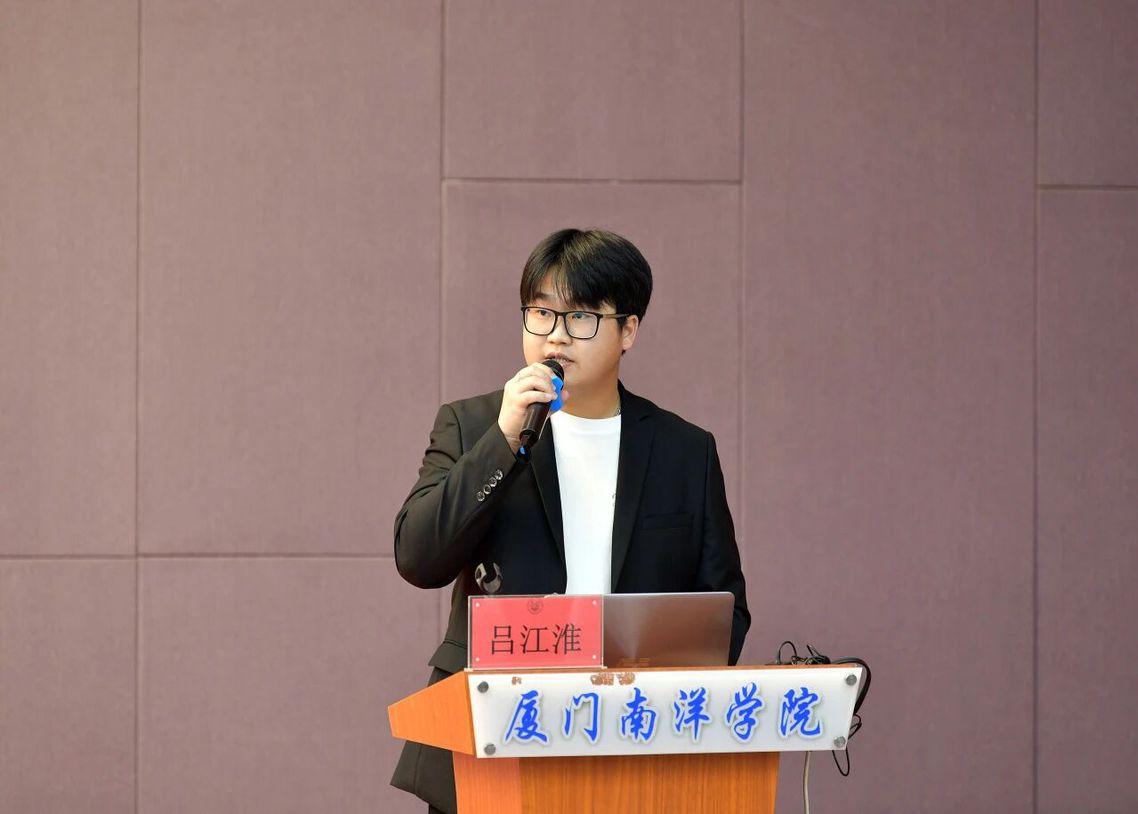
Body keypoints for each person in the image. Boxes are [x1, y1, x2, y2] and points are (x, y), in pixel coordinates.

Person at [390, 228, 749, 813]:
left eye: (580, 316)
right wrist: (503, 441)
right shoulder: (472, 425)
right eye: (540, 313)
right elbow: (417, 557)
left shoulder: (685, 451)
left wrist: (653, 694)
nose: (555, 335)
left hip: (629, 746)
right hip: (495, 741)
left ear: (628, 330)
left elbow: (724, 609)